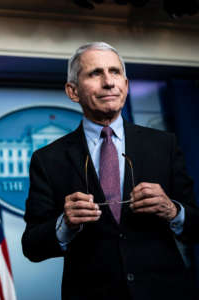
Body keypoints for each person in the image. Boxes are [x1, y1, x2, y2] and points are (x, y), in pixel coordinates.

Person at [22, 42, 199, 300]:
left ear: (125, 86)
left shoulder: (164, 145)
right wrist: (65, 224)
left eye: (115, 72)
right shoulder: (48, 159)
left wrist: (173, 211)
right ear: (73, 91)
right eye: (95, 73)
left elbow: (196, 225)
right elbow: (32, 246)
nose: (108, 82)